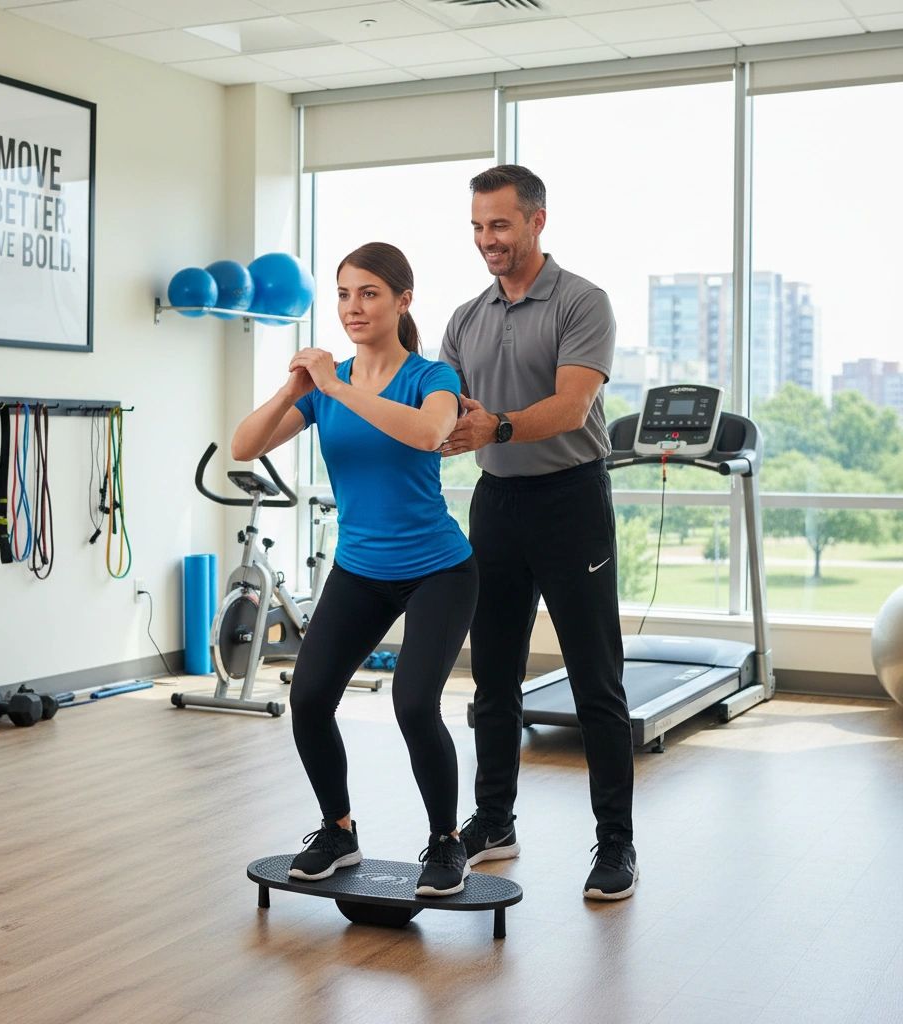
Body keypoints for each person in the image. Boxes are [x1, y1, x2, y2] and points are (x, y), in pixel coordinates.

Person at [231, 242, 479, 897]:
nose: (353, 307)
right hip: (360, 567)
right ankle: (337, 830)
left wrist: (338, 385)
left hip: (439, 569)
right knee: (309, 698)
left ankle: (447, 844)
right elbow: (245, 444)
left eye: (369, 293)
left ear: (403, 300)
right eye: (343, 294)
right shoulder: (324, 387)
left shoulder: (433, 378)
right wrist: (298, 385)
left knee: (415, 702)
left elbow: (429, 434)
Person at [439, 165, 637, 900]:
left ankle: (615, 842)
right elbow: (446, 408)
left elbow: (572, 403)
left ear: (536, 221)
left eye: (500, 225)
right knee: (492, 676)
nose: (488, 240)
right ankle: (494, 820)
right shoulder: (466, 316)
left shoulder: (583, 302)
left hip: (571, 500)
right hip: (496, 503)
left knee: (596, 680)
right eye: (478, 227)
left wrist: (499, 424)